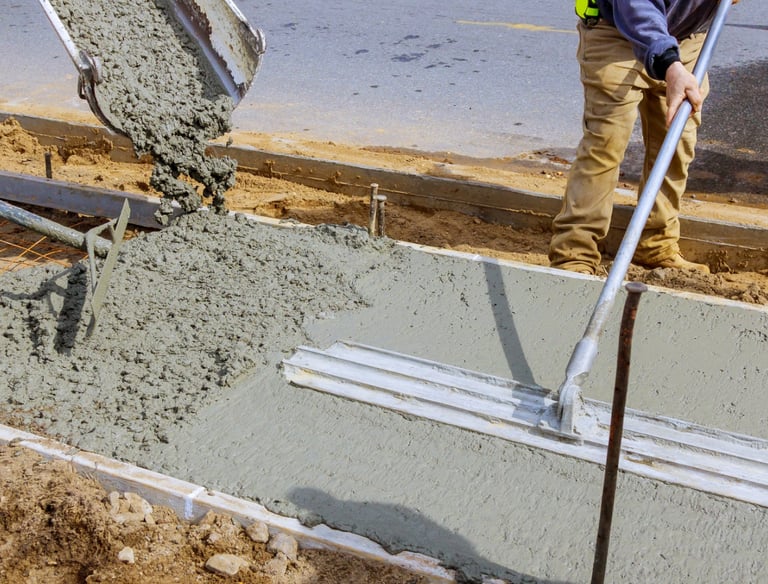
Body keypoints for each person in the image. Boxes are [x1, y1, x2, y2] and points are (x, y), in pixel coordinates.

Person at [549, 0, 739, 276]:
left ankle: (656, 243)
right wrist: (669, 64)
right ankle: (574, 253)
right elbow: (636, 8)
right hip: (619, 34)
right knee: (605, 145)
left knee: (676, 145)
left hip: (687, 42)